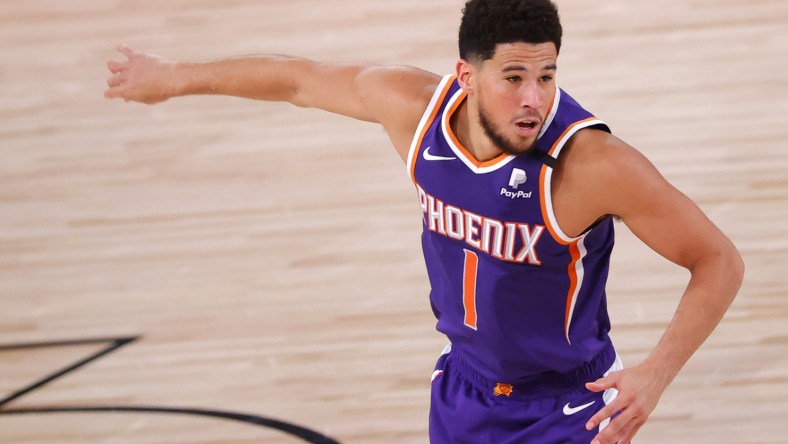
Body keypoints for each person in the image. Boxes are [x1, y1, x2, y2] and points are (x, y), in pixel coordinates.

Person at [104, 0, 744, 443]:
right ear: (466, 75)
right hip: (463, 393)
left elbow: (717, 259)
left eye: (546, 76)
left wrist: (656, 373)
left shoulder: (592, 164)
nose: (533, 98)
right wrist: (172, 79)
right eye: (513, 77)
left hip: (566, 407)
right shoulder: (414, 109)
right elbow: (296, 79)